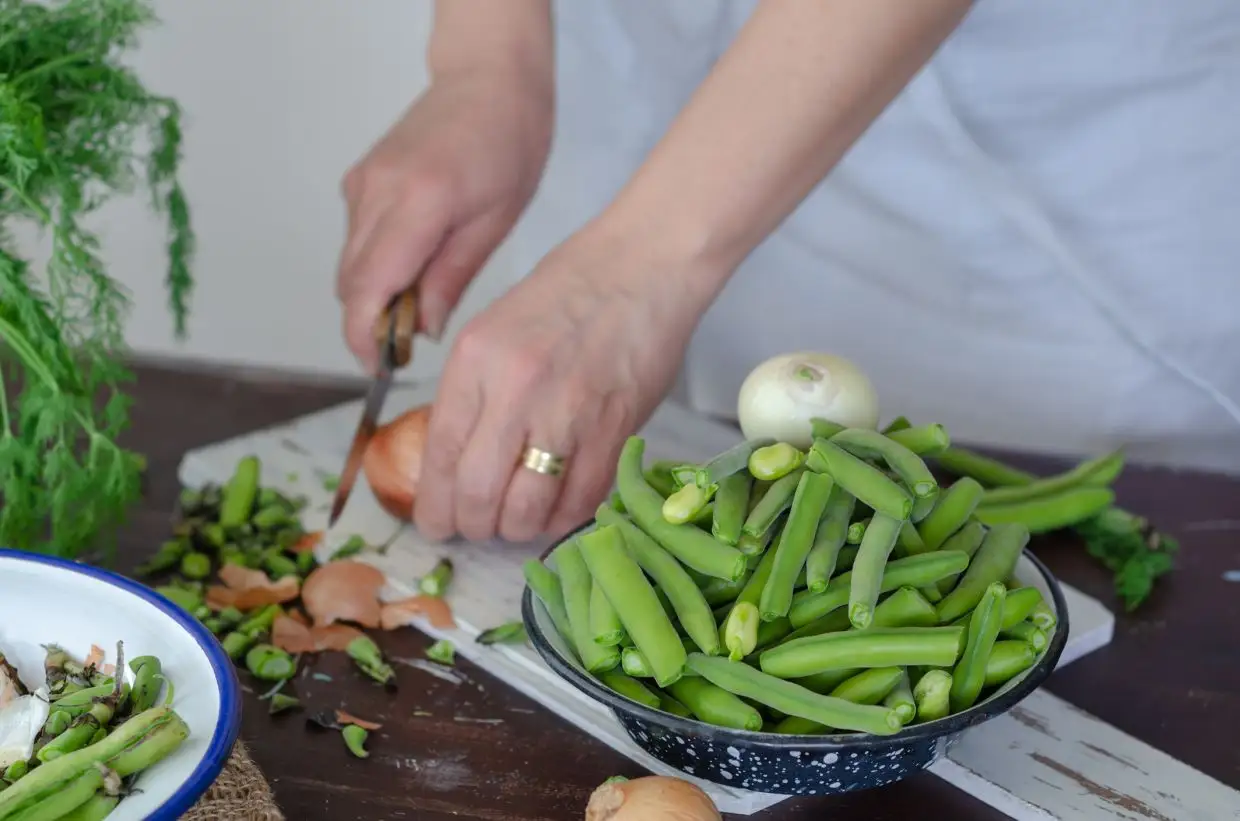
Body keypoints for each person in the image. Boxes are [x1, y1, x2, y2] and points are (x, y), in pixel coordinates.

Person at [335, 1, 1240, 544]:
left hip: (1040, 150)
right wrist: (487, 59)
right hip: (654, 74)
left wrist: (630, 273)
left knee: (1035, 519)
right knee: (738, 475)